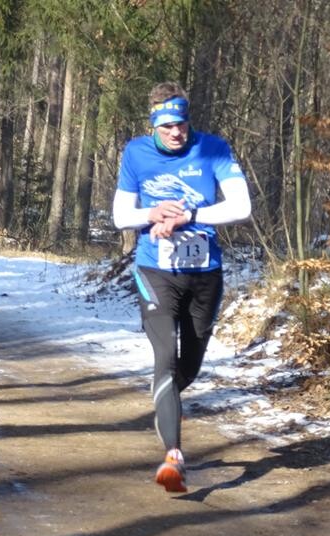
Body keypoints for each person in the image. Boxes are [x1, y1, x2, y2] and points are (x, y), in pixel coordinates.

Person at [113, 81, 251, 493]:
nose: (178, 132)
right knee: (164, 357)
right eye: (169, 125)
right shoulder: (136, 153)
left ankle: (165, 401)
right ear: (154, 124)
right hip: (155, 270)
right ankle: (174, 455)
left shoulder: (212, 149)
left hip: (205, 272)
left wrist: (189, 214)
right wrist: (151, 212)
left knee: (187, 366)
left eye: (183, 123)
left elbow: (242, 206)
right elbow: (122, 215)